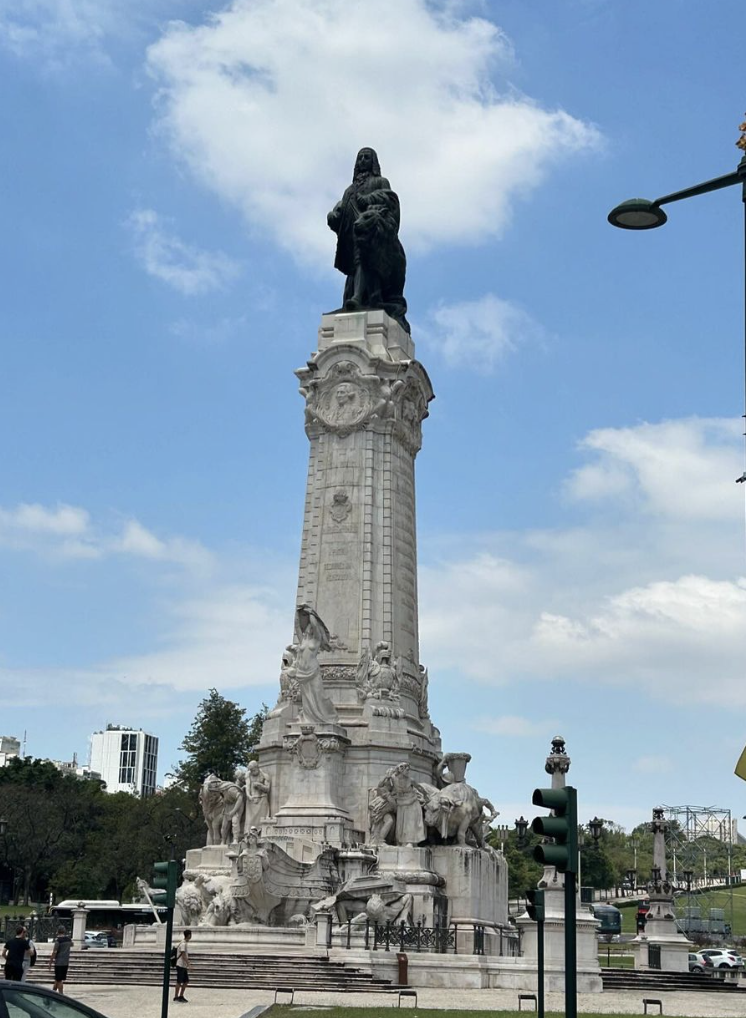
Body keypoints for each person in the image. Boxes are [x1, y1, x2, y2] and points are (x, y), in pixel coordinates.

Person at [327, 147, 409, 332]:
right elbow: (342, 209)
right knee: (356, 268)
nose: (363, 160)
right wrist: (334, 216)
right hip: (354, 236)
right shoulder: (350, 189)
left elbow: (389, 200)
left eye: (367, 157)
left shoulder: (380, 182)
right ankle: (357, 298)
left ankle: (359, 298)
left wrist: (368, 199)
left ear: (373, 162)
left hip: (372, 235)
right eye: (360, 158)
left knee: (364, 262)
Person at [49, 925, 72, 994]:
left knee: (59, 980)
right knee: (58, 978)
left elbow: (54, 952)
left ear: (58, 932)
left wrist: (50, 962)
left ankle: (61, 994)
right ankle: (53, 993)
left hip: (59, 962)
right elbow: (72, 944)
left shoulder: (58, 941)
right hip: (66, 962)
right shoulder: (68, 940)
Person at [173, 928, 192, 1003]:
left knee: (185, 981)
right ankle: (176, 996)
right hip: (181, 965)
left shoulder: (182, 943)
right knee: (179, 981)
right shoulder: (183, 944)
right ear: (189, 935)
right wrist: (189, 964)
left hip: (182, 965)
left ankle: (180, 995)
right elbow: (183, 955)